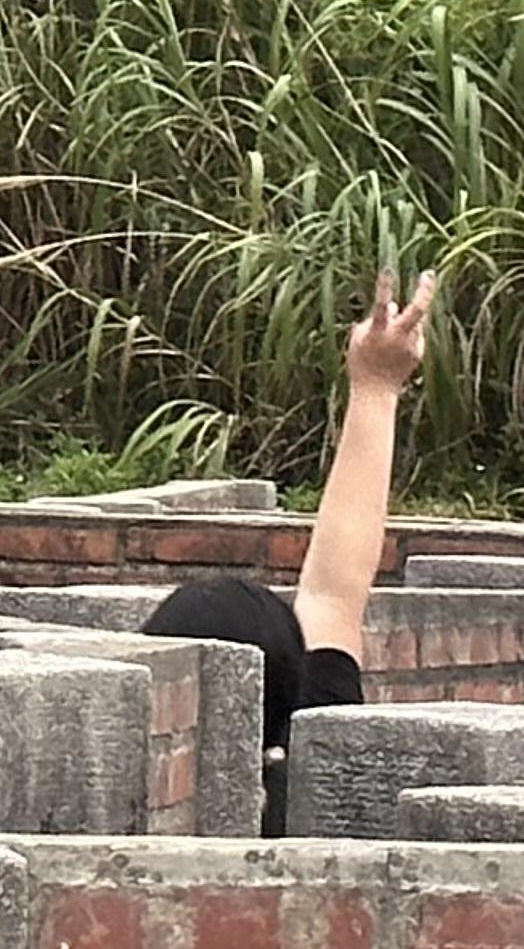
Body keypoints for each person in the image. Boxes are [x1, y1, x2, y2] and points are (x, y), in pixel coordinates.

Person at [138, 269, 436, 835]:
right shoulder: (319, 759)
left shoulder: (121, 807)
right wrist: (376, 385)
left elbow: (331, 591)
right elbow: (333, 591)